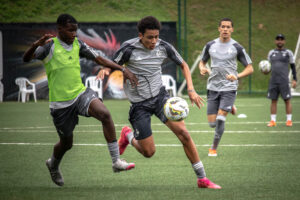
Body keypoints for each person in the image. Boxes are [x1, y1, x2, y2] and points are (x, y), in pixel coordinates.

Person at [99, 16, 221, 189]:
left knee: (184, 134)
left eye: (156, 36)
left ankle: (202, 179)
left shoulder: (164, 47)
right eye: (150, 37)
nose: (154, 41)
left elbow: (184, 65)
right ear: (140, 35)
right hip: (139, 105)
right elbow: (112, 65)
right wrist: (111, 70)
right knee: (148, 152)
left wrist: (191, 90)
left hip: (160, 98)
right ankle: (128, 135)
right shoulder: (128, 48)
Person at [23, 14, 138, 186]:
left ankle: (116, 162)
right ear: (59, 29)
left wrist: (122, 69)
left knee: (105, 114)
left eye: (76, 30)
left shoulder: (78, 44)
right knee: (66, 143)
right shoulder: (49, 47)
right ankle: (53, 164)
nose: (74, 34)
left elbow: (99, 58)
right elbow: (26, 59)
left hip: (80, 94)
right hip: (60, 105)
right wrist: (35, 46)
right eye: (70, 30)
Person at [198, 18, 253, 157]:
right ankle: (230, 106)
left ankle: (213, 148)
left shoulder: (237, 47)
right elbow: (202, 62)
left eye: (228, 27)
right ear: (219, 29)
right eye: (223, 26)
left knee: (221, 119)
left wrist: (237, 76)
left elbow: (250, 68)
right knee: (212, 124)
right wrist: (202, 68)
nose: (225, 29)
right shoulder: (210, 45)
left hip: (229, 87)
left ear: (232, 30)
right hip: (213, 87)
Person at [266, 34, 297, 127]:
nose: (280, 41)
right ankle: (273, 121)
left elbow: (293, 66)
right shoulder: (271, 53)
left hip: (284, 81)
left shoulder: (288, 52)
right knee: (273, 100)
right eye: (278, 39)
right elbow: (268, 66)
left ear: (284, 41)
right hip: (273, 81)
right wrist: (265, 71)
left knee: (287, 100)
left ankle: (289, 120)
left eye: (281, 39)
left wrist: (295, 79)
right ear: (275, 41)